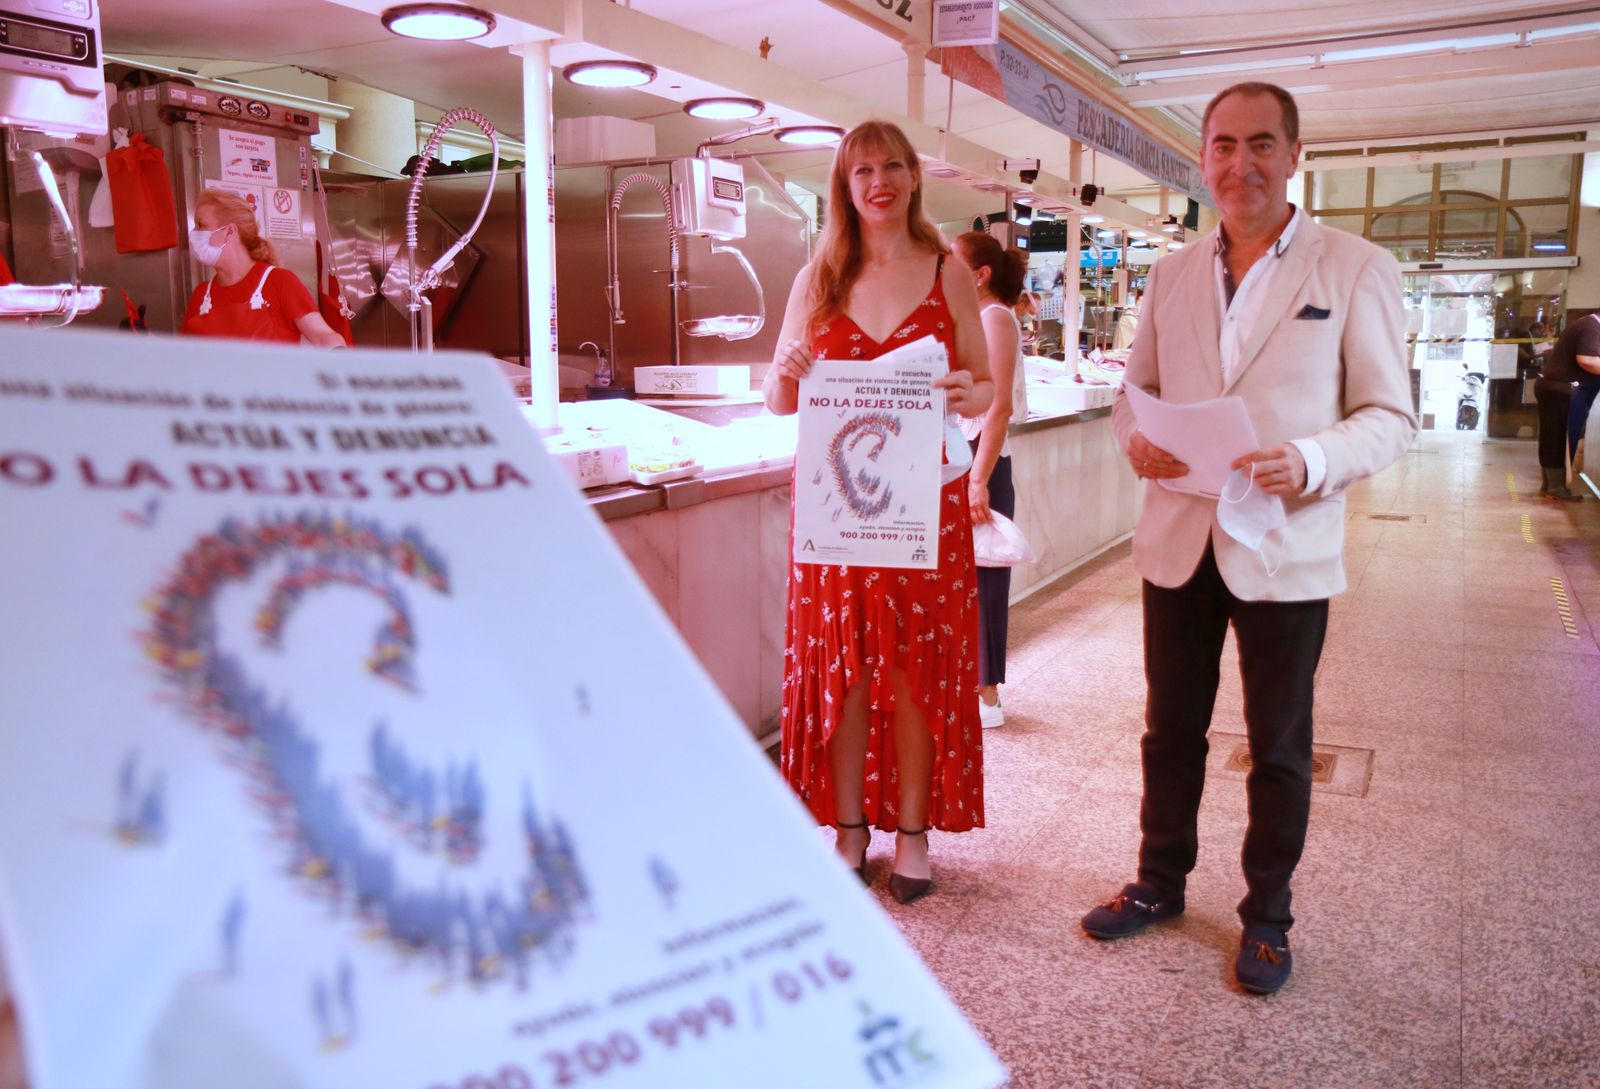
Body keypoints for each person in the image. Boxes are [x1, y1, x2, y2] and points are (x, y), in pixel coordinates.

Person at [1079, 82, 1417, 994]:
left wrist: (1308, 458)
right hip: (1181, 536)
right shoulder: (1173, 271)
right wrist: (1135, 438)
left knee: (1277, 743)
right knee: (1169, 729)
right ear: (1203, 160)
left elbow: (1392, 415)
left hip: (1284, 546)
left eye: (1261, 144)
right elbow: (1130, 390)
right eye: (1224, 146)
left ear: (1295, 154)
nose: (1241, 164)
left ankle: (1267, 915)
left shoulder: (1351, 267)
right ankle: (1158, 882)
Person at [764, 119, 994, 905]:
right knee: (846, 671)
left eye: (891, 165)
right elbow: (777, 400)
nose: (878, 181)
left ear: (913, 177)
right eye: (861, 170)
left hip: (923, 511)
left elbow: (985, 384)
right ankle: (850, 827)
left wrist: (971, 393)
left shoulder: (947, 271)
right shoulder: (818, 275)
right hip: (835, 515)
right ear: (844, 183)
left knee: (913, 667)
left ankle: (915, 833)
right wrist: (789, 368)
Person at [952, 231, 1029, 728]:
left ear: (980, 275)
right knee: (964, 583)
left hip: (983, 462)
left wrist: (978, 480)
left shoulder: (994, 318)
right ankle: (966, 689)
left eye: (952, 265)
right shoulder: (972, 319)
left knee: (985, 580)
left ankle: (987, 697)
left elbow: (997, 408)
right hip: (963, 461)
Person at [179, 190, 346, 346]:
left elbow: (323, 336)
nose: (194, 234)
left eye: (201, 225)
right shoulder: (201, 295)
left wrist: (339, 357)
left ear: (229, 232)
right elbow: (184, 357)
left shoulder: (279, 282)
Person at [1538, 311, 1600, 496]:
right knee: (1562, 437)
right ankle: (1556, 486)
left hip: (1555, 388)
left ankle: (1551, 484)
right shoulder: (1592, 327)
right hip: (1565, 391)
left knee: (1553, 436)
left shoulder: (1585, 323)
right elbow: (1587, 360)